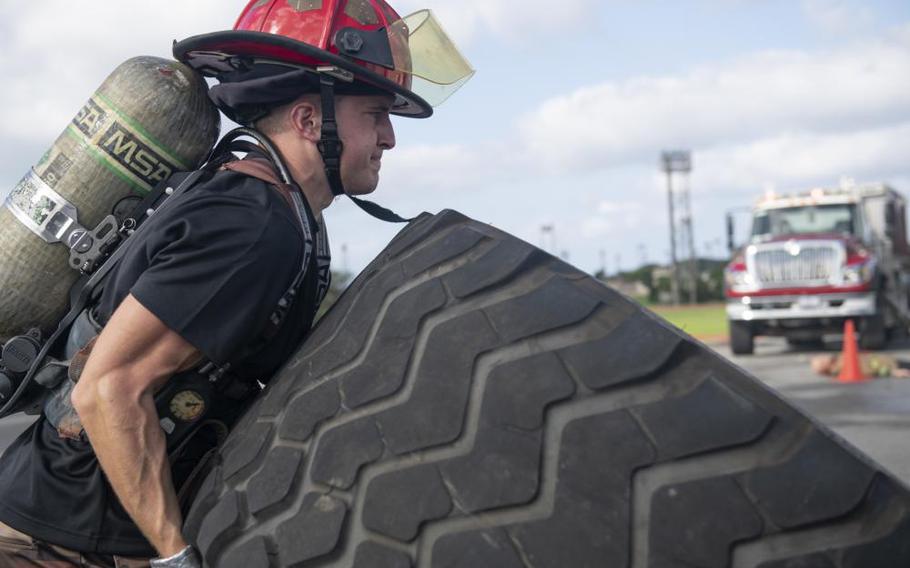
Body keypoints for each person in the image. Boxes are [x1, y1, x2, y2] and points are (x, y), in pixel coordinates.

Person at [0, 1, 472, 566]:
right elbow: (108, 388)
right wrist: (175, 557)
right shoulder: (250, 227)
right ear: (306, 120)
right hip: (57, 543)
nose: (390, 136)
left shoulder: (276, 212)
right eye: (374, 112)